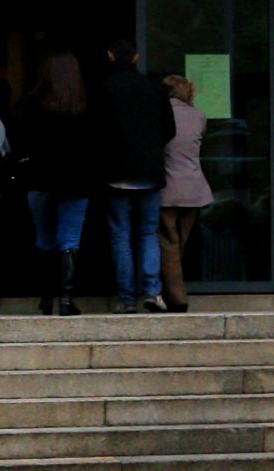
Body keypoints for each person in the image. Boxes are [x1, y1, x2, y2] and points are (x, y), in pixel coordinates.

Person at [97, 36, 176, 314]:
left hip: (115, 172)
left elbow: (96, 131)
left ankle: (127, 298)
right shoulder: (154, 89)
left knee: (120, 234)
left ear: (109, 56)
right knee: (148, 232)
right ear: (136, 58)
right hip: (149, 171)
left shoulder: (104, 88)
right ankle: (153, 292)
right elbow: (169, 130)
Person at [17, 50, 91, 316]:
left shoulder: (32, 104)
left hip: (39, 178)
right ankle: (66, 299)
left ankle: (45, 297)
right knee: (69, 239)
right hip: (76, 180)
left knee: (44, 239)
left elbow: (20, 141)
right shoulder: (84, 106)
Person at [157, 75, 213, 313]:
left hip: (168, 187)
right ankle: (169, 290)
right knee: (180, 242)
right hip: (193, 187)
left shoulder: (159, 114)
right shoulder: (199, 116)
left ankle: (176, 297)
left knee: (169, 243)